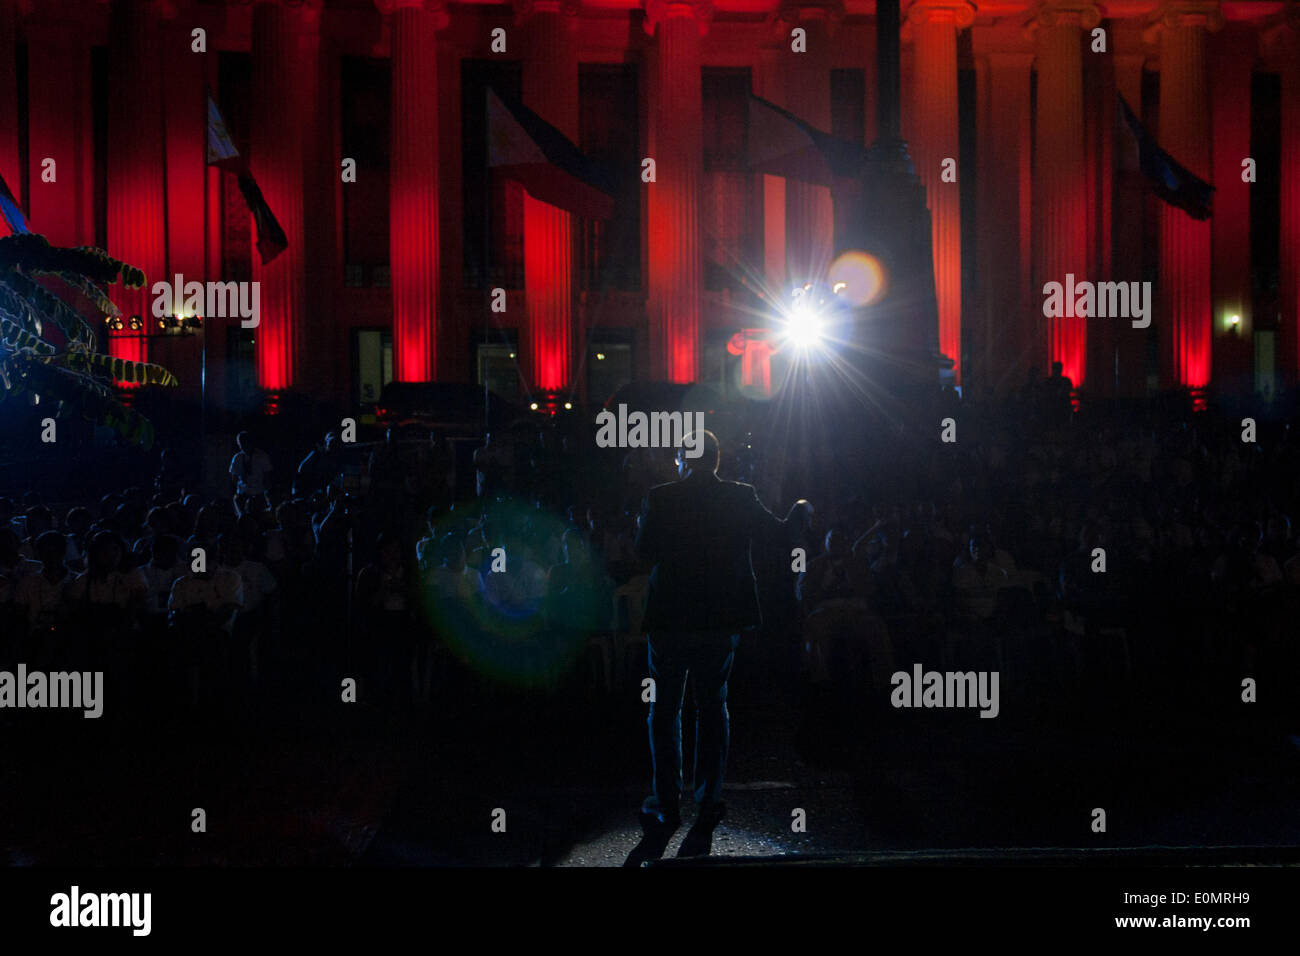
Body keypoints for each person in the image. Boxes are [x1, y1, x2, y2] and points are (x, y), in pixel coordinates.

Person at [626, 430, 811, 865]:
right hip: (719, 619)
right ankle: (707, 802)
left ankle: (666, 801)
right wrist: (802, 510)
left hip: (671, 618)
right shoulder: (740, 496)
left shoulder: (662, 497)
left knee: (665, 709)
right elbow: (781, 535)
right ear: (716, 460)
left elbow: (643, 551)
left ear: (683, 460)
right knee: (712, 707)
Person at [229, 432, 273, 499]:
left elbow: (267, 476)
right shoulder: (237, 458)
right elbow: (234, 477)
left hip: (259, 493)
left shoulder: (262, 456)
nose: (244, 445)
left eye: (246, 442)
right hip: (243, 493)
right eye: (241, 443)